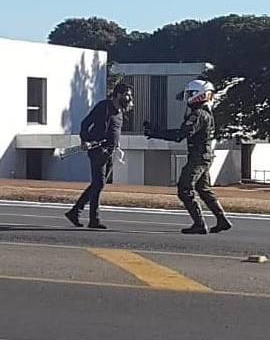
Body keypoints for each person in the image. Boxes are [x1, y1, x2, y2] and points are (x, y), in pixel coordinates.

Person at [144, 79, 232, 235]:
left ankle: (199, 224)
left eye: (190, 94)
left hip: (198, 158)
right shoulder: (205, 114)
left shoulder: (198, 115)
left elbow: (180, 134)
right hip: (204, 156)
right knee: (203, 188)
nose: (187, 97)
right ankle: (222, 220)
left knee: (184, 188)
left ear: (199, 95)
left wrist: (157, 132)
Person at [64, 83, 133, 229]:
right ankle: (93, 219)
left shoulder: (119, 111)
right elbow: (85, 123)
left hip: (110, 152)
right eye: (127, 94)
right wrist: (85, 140)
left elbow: (114, 132)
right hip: (98, 150)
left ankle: (75, 212)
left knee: (97, 184)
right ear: (118, 94)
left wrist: (117, 148)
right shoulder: (104, 107)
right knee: (99, 184)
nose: (129, 98)